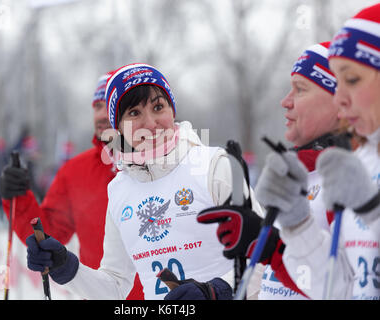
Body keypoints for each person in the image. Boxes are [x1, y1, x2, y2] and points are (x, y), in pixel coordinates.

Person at [25, 63, 265, 300]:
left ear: (172, 110)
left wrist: (215, 292)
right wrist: (66, 268)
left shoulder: (215, 165)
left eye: (158, 107)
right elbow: (115, 287)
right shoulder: (119, 190)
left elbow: (264, 255)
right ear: (117, 128)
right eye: (134, 113)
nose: (150, 124)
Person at [197, 41, 352, 300]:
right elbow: (274, 279)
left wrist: (272, 246)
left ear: (340, 103)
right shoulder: (295, 176)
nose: (285, 101)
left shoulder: (347, 177)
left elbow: (344, 290)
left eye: (300, 90)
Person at [254, 3, 380, 300]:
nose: (341, 100)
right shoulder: (362, 162)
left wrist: (372, 210)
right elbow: (337, 291)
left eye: (350, 80)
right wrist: (298, 226)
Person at [0, 71, 144, 299]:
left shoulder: (165, 165)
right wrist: (16, 196)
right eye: (96, 106)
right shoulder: (75, 171)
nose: (101, 114)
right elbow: (49, 232)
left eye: (109, 104)